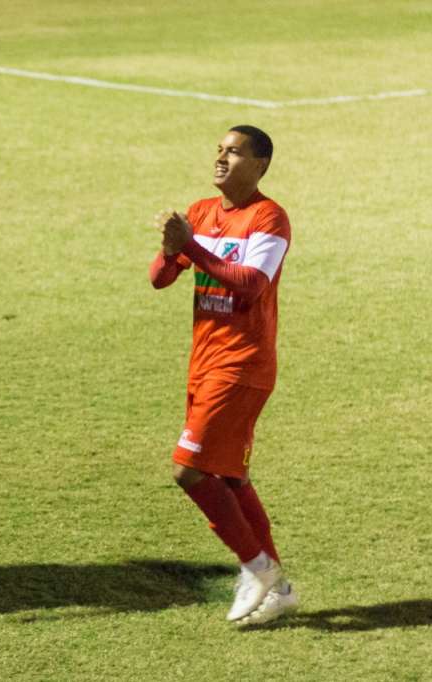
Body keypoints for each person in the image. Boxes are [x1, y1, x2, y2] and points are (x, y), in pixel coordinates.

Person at [149, 125, 298, 625]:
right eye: (218, 149)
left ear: (260, 165)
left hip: (242, 364)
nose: (221, 158)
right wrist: (173, 248)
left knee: (188, 470)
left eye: (234, 152)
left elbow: (250, 286)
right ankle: (280, 587)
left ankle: (257, 568)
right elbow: (159, 279)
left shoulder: (269, 217)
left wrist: (194, 247)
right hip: (204, 363)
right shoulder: (201, 212)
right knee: (230, 477)